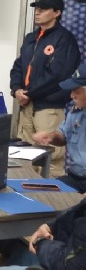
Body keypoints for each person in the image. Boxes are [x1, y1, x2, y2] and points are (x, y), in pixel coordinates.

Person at [9, 0, 80, 177]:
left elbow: (57, 75)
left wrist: (28, 93)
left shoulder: (65, 39)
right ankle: (25, 202)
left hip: (48, 108)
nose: (37, 12)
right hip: (26, 106)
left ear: (56, 12)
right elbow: (18, 66)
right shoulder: (31, 38)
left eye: (43, 9)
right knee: (23, 157)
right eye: (36, 9)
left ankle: (54, 204)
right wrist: (16, 90)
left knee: (51, 160)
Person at [33, 63, 86, 193]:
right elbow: (63, 136)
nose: (72, 96)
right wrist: (50, 136)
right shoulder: (76, 113)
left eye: (76, 91)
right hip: (75, 179)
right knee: (41, 193)